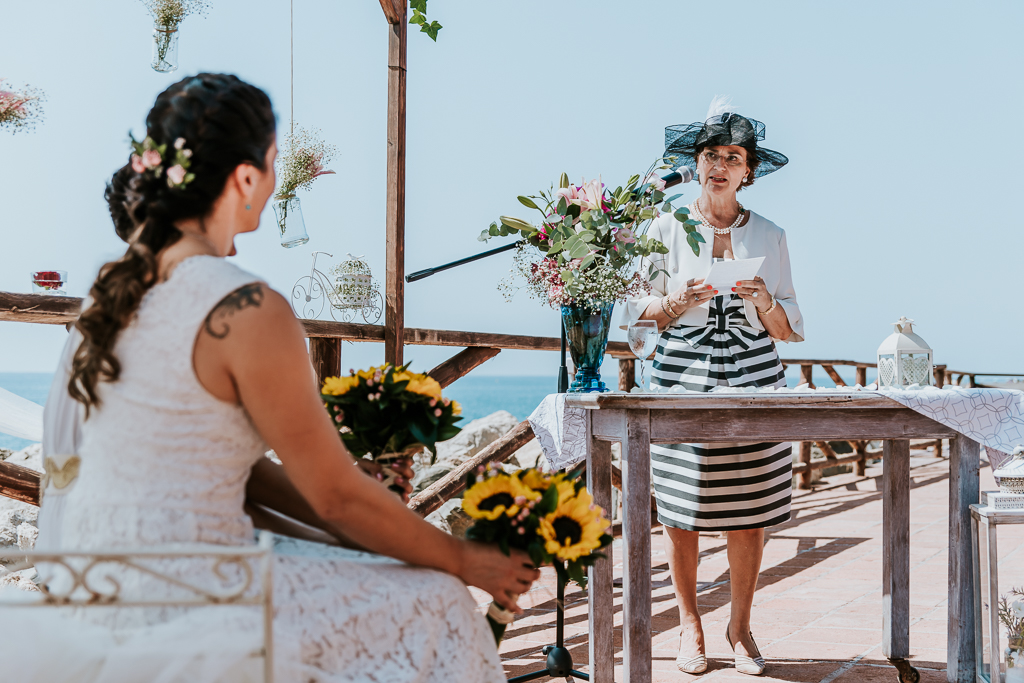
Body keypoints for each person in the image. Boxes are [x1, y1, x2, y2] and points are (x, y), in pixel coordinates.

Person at [23, 73, 539, 682]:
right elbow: (337, 497)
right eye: (271, 163)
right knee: (438, 602)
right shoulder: (244, 307)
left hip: (98, 583)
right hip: (192, 593)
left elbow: (228, 476)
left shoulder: (116, 292)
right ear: (244, 178)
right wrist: (460, 560)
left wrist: (358, 537)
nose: (271, 182)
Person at [621, 97, 804, 676]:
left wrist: (764, 299)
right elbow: (635, 319)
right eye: (710, 155)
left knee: (749, 506)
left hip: (753, 380)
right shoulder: (662, 228)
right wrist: (678, 301)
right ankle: (691, 627)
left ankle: (741, 628)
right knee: (681, 507)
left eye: (733, 155)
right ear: (696, 164)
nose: (720, 164)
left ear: (749, 168)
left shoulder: (772, 235)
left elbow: (789, 329)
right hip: (680, 378)